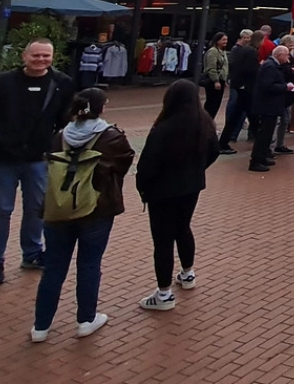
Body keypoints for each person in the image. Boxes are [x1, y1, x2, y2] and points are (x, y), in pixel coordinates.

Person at [31, 88, 133, 342]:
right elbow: (124, 164)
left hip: (58, 208)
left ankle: (40, 327)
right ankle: (86, 319)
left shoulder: (59, 136)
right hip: (96, 209)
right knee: (89, 264)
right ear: (101, 108)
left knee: (54, 267)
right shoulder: (111, 137)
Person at [0, 38, 74, 287]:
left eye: (46, 56)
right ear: (24, 56)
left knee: (36, 208)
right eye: (36, 55)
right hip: (3, 158)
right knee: (1, 210)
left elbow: (66, 119)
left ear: (53, 57)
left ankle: (32, 253)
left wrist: (54, 143)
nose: (41, 60)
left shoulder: (62, 83)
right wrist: (1, 139)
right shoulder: (1, 83)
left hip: (38, 159)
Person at [135, 80, 218, 312]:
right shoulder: (205, 124)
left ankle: (164, 294)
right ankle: (188, 273)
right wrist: (197, 170)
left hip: (163, 191)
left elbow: (147, 164)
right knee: (183, 228)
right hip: (191, 187)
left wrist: (143, 187)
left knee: (162, 241)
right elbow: (214, 151)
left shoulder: (163, 127)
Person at [248, 45, 294, 171]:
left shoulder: (273, 66)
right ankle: (256, 160)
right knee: (264, 134)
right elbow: (268, 86)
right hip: (267, 106)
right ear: (279, 55)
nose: (288, 58)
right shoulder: (270, 66)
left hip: (270, 106)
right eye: (286, 55)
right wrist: (285, 87)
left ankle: (262, 157)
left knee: (267, 134)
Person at [216, 30, 259, 153]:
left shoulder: (242, 50)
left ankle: (223, 142)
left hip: (241, 87)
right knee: (251, 117)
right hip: (245, 88)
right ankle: (262, 147)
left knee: (237, 115)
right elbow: (249, 69)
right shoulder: (248, 51)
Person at [201, 33, 230, 120]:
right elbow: (211, 68)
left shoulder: (223, 51)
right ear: (217, 41)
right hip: (213, 81)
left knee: (216, 104)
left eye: (226, 40)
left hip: (220, 80)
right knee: (211, 104)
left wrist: (224, 80)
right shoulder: (213, 52)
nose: (225, 42)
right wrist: (216, 81)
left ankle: (209, 122)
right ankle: (205, 122)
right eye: (223, 40)